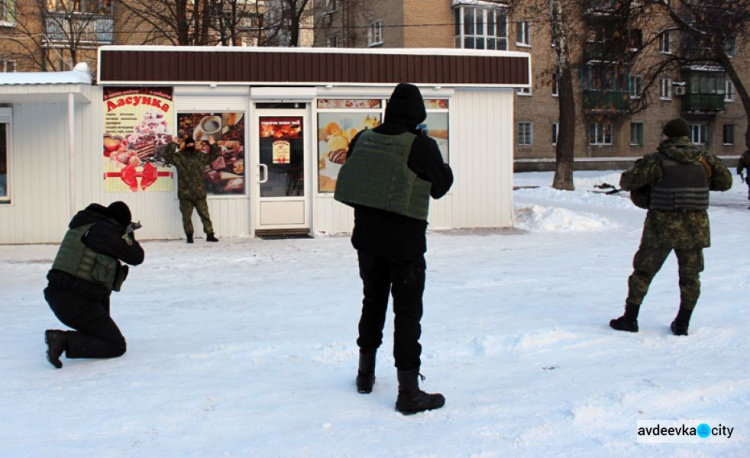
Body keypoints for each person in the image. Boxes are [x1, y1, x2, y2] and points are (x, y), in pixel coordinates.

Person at [334, 83, 454, 414]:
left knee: (372, 303)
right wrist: (430, 149)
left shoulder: (363, 138)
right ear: (418, 113)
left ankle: (364, 375)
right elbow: (441, 186)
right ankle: (409, 392)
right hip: (404, 246)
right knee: (407, 313)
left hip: (368, 242)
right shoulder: (420, 145)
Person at [610, 118, 732, 336]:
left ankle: (630, 319)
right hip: (695, 229)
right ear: (686, 136)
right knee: (691, 277)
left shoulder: (656, 161)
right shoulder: (705, 159)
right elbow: (725, 183)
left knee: (643, 272)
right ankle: (682, 323)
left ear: (667, 136)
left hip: (660, 228)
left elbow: (627, 182)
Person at [44, 202, 145, 368]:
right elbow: (136, 257)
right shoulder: (105, 230)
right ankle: (61, 340)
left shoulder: (86, 224)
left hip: (62, 294)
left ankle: (90, 333)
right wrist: (128, 233)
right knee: (116, 345)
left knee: (101, 278)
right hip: (76, 300)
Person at [163, 134, 220, 243]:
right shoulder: (179, 156)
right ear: (185, 145)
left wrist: (213, 144)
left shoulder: (200, 156)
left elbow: (214, 156)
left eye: (192, 143)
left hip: (199, 193)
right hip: (186, 195)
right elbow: (167, 156)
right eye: (188, 143)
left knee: (205, 216)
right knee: (186, 217)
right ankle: (189, 236)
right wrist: (173, 144)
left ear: (194, 145)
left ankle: (210, 235)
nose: (190, 145)